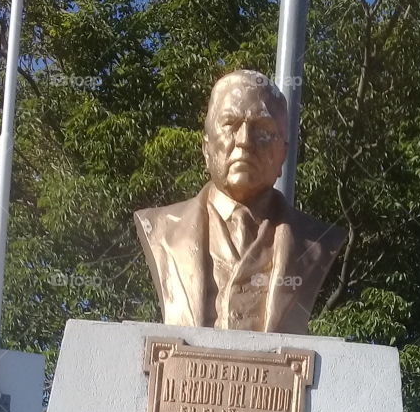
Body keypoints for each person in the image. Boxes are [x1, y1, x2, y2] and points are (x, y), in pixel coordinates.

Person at [134, 69, 345, 334]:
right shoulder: (160, 228)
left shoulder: (318, 241)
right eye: (230, 124)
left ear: (283, 153)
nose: (245, 141)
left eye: (263, 130)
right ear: (206, 147)